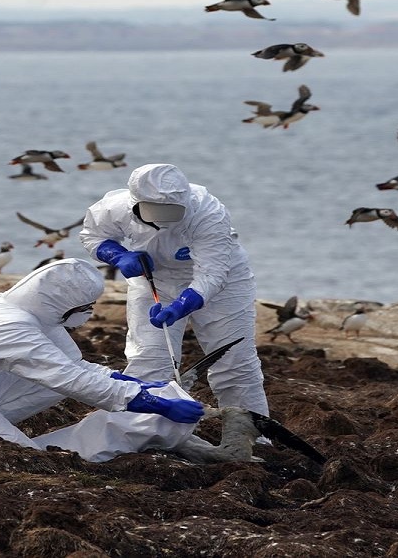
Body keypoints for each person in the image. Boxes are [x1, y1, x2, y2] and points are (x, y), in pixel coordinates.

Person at [0, 258, 205, 464]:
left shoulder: (22, 310)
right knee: (23, 460)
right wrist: (150, 403)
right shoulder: (11, 328)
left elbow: (72, 365)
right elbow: (68, 377)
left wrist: (130, 382)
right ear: (64, 302)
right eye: (87, 306)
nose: (89, 313)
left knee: (52, 384)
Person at [79, 163, 269, 415]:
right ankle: (140, 431)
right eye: (155, 210)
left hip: (224, 283)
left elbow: (212, 272)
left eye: (172, 211)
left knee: (235, 362)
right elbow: (92, 234)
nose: (164, 218)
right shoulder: (114, 208)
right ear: (136, 203)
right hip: (154, 279)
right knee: (148, 359)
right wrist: (117, 255)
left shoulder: (208, 212)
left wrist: (182, 305)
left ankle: (251, 433)